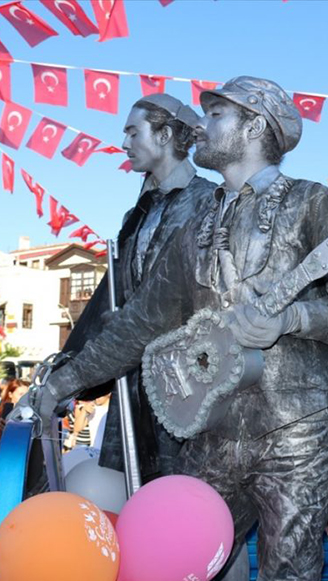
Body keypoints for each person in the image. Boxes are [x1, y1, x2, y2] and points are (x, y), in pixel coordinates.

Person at [36, 76, 328, 581]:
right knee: (173, 564)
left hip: (295, 440)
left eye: (217, 114)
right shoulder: (194, 223)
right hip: (210, 438)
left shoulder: (314, 203)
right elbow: (137, 324)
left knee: (288, 574)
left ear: (253, 125)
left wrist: (293, 318)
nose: (201, 126)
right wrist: (63, 383)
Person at [61, 93, 215, 480]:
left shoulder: (210, 201)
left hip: (188, 381)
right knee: (127, 491)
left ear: (164, 135)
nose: (125, 143)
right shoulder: (136, 214)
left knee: (186, 498)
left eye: (133, 131)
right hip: (131, 379)